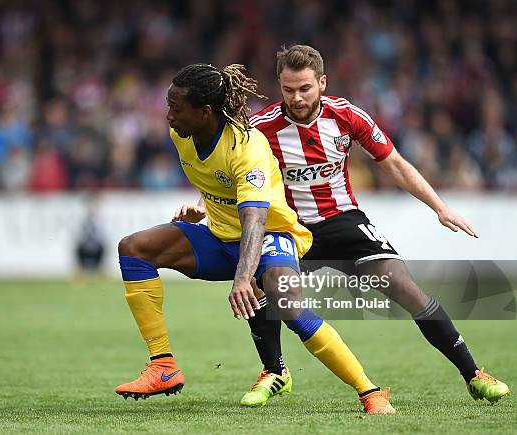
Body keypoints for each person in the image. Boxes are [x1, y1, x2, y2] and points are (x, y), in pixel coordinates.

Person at [116, 62, 395, 414]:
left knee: (287, 304)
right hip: (220, 236)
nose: (168, 114)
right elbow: (219, 186)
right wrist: (201, 209)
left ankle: (370, 392)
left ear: (204, 112)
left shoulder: (247, 147)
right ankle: (163, 366)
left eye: (175, 107)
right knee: (134, 249)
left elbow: (254, 219)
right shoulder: (182, 134)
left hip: (270, 235)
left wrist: (244, 278)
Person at [241, 44, 508, 405]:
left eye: (305, 88)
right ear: (279, 86)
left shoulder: (348, 116)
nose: (297, 98)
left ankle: (473, 373)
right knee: (260, 286)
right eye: (288, 90)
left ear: (322, 82)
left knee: (405, 288)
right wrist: (200, 208)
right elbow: (235, 175)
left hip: (344, 220)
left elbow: (394, 163)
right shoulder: (260, 128)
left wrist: (439, 208)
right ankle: (275, 372)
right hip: (289, 228)